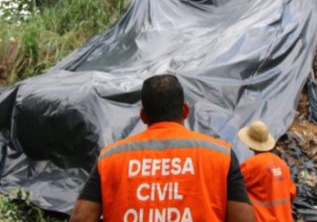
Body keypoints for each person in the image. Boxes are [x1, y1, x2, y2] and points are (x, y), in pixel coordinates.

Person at [70, 75, 254, 222]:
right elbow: (242, 218)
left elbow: (82, 217)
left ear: (143, 116)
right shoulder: (221, 155)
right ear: (185, 111)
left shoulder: (110, 158)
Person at [238, 120, 296, 222]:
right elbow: (292, 192)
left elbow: (234, 187)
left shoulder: (251, 165)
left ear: (250, 143)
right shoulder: (282, 164)